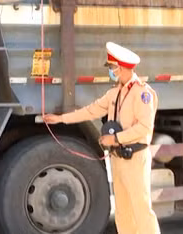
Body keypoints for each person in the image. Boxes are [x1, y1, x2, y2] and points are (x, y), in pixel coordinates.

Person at [43, 42, 161, 234]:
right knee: (123, 210)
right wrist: (61, 119)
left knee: (140, 208)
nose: (111, 72)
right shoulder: (114, 93)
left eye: (113, 68)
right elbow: (91, 111)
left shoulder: (143, 93)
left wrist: (115, 140)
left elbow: (144, 128)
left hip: (134, 157)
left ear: (122, 68)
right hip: (117, 157)